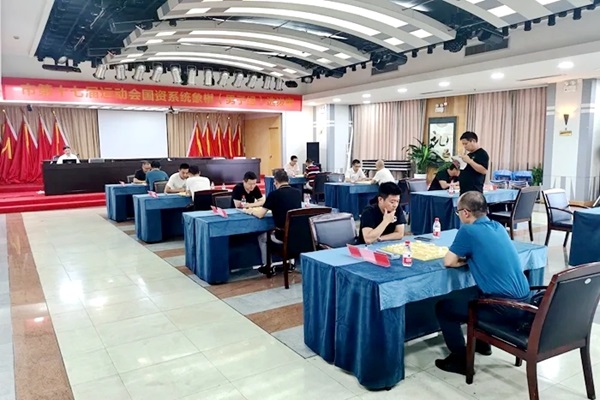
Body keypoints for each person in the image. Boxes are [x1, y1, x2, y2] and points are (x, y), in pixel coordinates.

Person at [434, 191, 531, 376]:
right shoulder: (498, 226)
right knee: (477, 294)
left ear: (465, 213)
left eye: (458, 212)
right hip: (525, 303)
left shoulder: (468, 230)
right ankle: (482, 344)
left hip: (503, 307)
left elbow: (448, 261)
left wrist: (465, 261)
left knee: (444, 308)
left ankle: (460, 359)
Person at [243, 169, 302, 275]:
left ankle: (267, 266)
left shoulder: (273, 195)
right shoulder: (297, 193)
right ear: (288, 180)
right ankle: (290, 263)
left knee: (262, 237)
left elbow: (260, 214)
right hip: (297, 234)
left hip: (281, 235)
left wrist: (250, 211)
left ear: (275, 182)